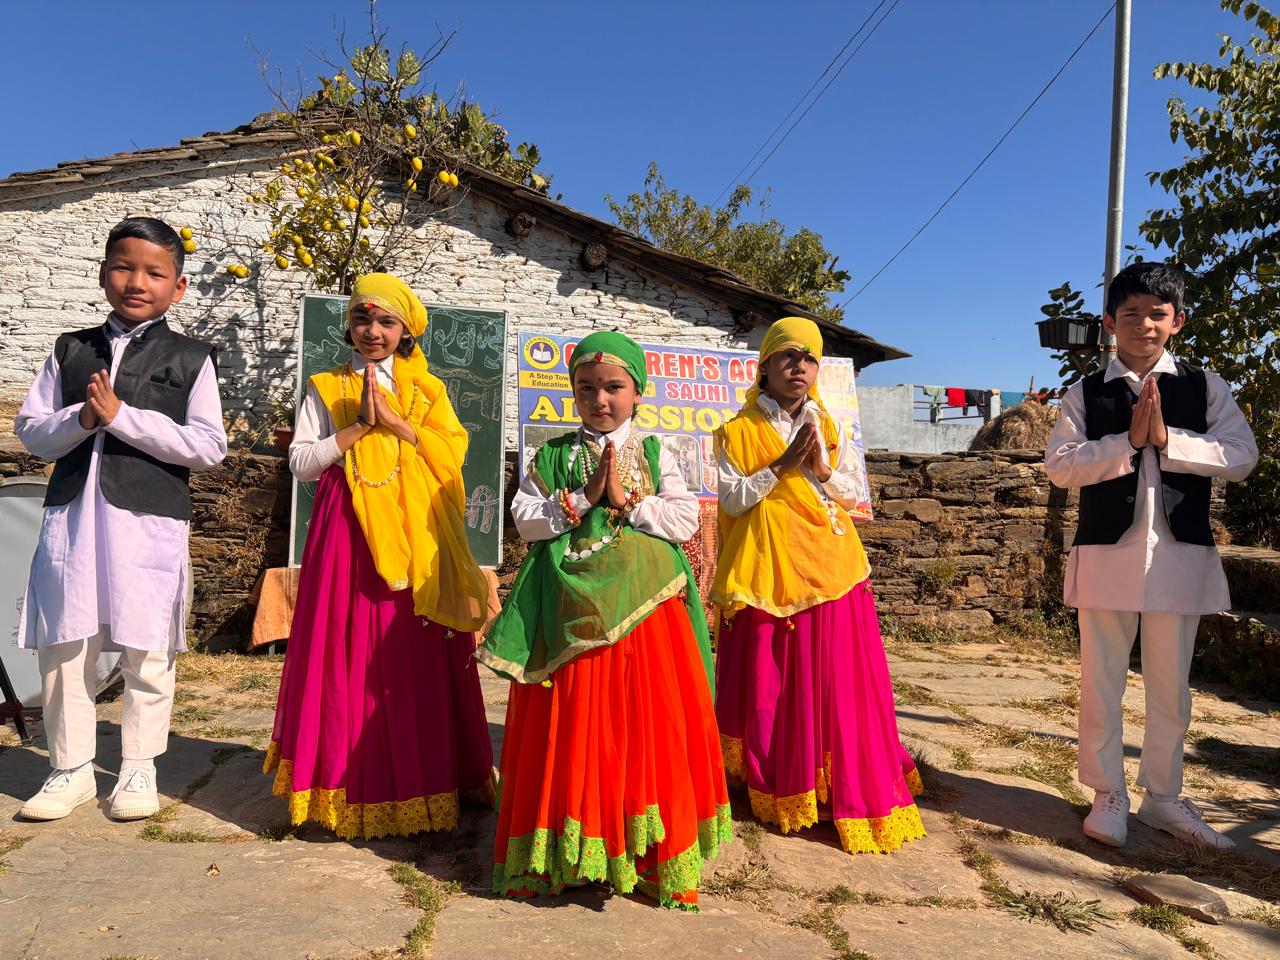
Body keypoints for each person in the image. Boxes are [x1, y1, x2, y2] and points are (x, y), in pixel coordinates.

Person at [479, 331, 730, 911]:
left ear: (637, 393)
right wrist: (581, 499)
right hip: (569, 606)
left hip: (646, 607)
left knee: (643, 720)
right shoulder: (552, 455)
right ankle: (569, 848)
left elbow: (685, 518)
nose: (601, 399)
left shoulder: (654, 452)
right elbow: (526, 522)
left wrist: (624, 501)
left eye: (614, 387)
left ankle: (645, 852)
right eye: (586, 388)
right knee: (573, 718)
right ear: (572, 393)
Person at [265, 273, 494, 840]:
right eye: (362, 320)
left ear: (407, 330)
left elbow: (454, 455)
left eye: (386, 321)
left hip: (417, 532)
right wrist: (359, 428)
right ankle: (339, 784)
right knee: (343, 646)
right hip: (348, 530)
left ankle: (426, 781)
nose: (372, 331)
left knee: (409, 648)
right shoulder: (326, 387)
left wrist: (399, 425)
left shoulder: (428, 391)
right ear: (349, 326)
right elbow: (301, 462)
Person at [16, 216, 227, 821]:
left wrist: (122, 418)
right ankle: (70, 767)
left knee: (147, 644)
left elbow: (209, 446)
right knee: (64, 642)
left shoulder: (191, 358)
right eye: (124, 267)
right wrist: (82, 419)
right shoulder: (70, 350)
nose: (138, 281)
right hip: (74, 519)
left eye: (155, 272)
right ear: (104, 273)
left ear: (178, 287)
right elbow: (31, 430)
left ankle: (138, 765)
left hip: (148, 520)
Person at [1045, 261, 1257, 849]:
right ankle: (1106, 792)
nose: (1144, 324)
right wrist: (1128, 443)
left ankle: (1164, 797)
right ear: (1110, 322)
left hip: (1179, 559)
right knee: (1101, 679)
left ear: (1178, 321)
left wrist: (1169, 441)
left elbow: (1242, 456)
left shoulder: (1204, 385)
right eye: (1130, 314)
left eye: (1157, 314)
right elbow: (1060, 467)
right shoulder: (1084, 392)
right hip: (1109, 557)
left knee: (1171, 685)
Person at [711, 316, 925, 855]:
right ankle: (780, 779)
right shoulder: (736, 431)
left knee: (832, 677)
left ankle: (832, 776)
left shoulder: (828, 427)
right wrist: (781, 466)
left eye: (809, 359)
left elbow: (853, 493)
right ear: (764, 366)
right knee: (774, 678)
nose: (799, 367)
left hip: (831, 564)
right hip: (768, 567)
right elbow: (732, 501)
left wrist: (823, 471)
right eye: (787, 356)